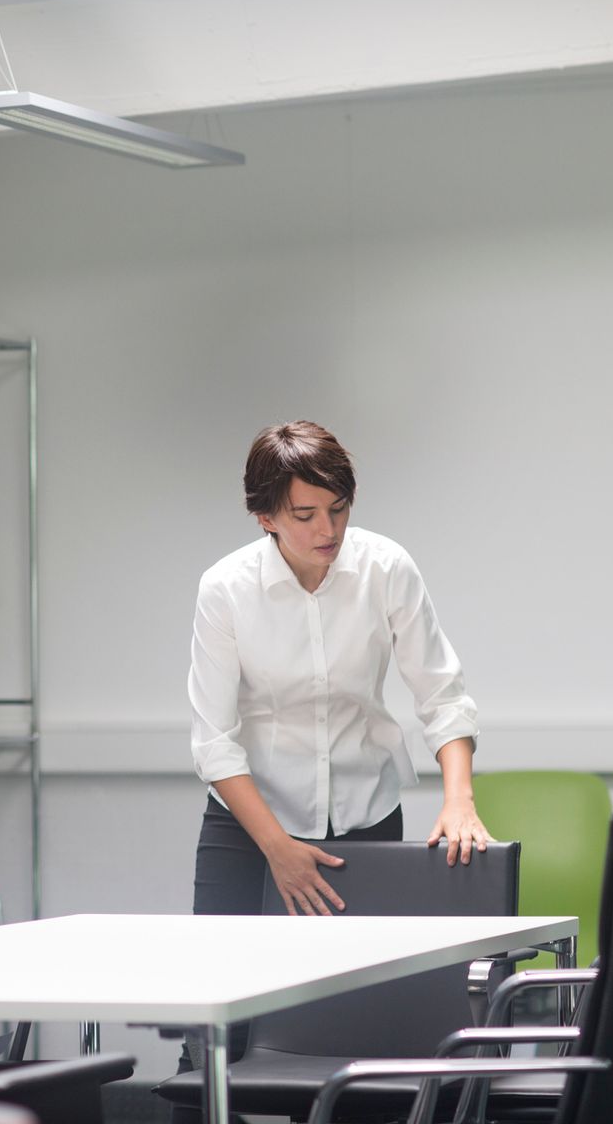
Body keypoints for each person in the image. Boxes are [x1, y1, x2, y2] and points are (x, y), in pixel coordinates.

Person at [184, 420, 490, 1063]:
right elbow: (214, 741)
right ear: (265, 516)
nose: (328, 529)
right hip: (249, 829)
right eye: (305, 515)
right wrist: (277, 849)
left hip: (364, 818)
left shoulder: (386, 569)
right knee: (216, 1033)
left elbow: (442, 695)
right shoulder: (226, 589)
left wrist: (459, 800)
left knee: (358, 1026)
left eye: (339, 508)